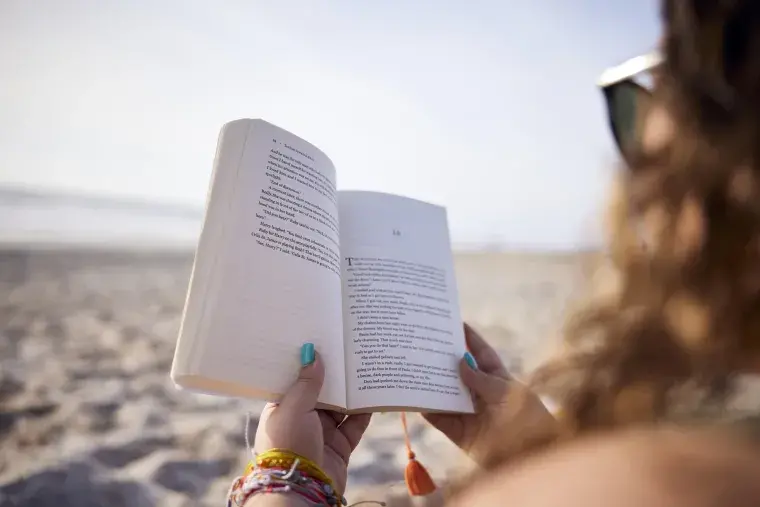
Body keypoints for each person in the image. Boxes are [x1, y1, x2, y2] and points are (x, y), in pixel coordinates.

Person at [230, 0, 760, 504]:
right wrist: (536, 451)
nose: (638, 151)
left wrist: (285, 479)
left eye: (644, 100)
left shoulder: (687, 475)